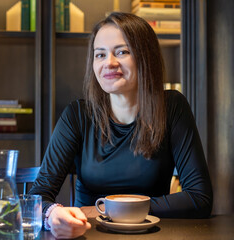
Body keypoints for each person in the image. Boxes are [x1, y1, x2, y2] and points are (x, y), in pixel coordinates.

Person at [28, 12, 213, 239]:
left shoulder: (172, 106)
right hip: (89, 232)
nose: (109, 63)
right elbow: (38, 196)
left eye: (122, 52)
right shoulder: (77, 115)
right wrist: (52, 214)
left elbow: (199, 198)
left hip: (151, 234)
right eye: (100, 54)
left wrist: (105, 210)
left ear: (146, 57)